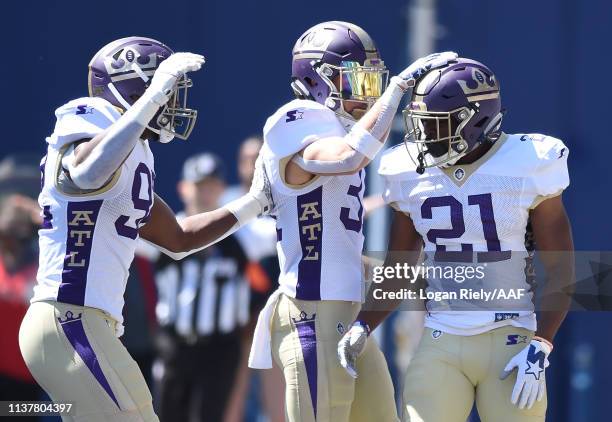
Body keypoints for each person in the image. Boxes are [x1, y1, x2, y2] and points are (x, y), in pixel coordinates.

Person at [19, 36, 273, 422]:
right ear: (134, 86)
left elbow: (179, 238)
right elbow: (87, 171)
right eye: (167, 89)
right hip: (67, 317)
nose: (172, 101)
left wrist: (257, 200)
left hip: (91, 324)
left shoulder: (135, 151)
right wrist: (149, 101)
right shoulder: (90, 114)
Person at [337, 58, 574, 422]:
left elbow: (562, 268)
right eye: (423, 127)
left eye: (438, 126)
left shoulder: (530, 161)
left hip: (511, 337)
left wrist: (541, 343)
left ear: (475, 120)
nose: (426, 138)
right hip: (441, 340)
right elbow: (400, 267)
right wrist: (363, 324)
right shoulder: (407, 172)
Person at [245, 20, 457, 422]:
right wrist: (397, 91)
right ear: (317, 79)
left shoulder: (342, 129)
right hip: (312, 314)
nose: (366, 91)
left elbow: (337, 244)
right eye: (355, 79)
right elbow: (346, 157)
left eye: (373, 81)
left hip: (349, 317)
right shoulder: (298, 116)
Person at [153, 153, 249, 422]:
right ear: (183, 188)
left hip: (219, 348)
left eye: (211, 186)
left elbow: (282, 233)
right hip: (174, 344)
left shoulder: (242, 234)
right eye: (198, 186)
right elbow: (123, 235)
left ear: (221, 189)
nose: (204, 194)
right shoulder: (164, 231)